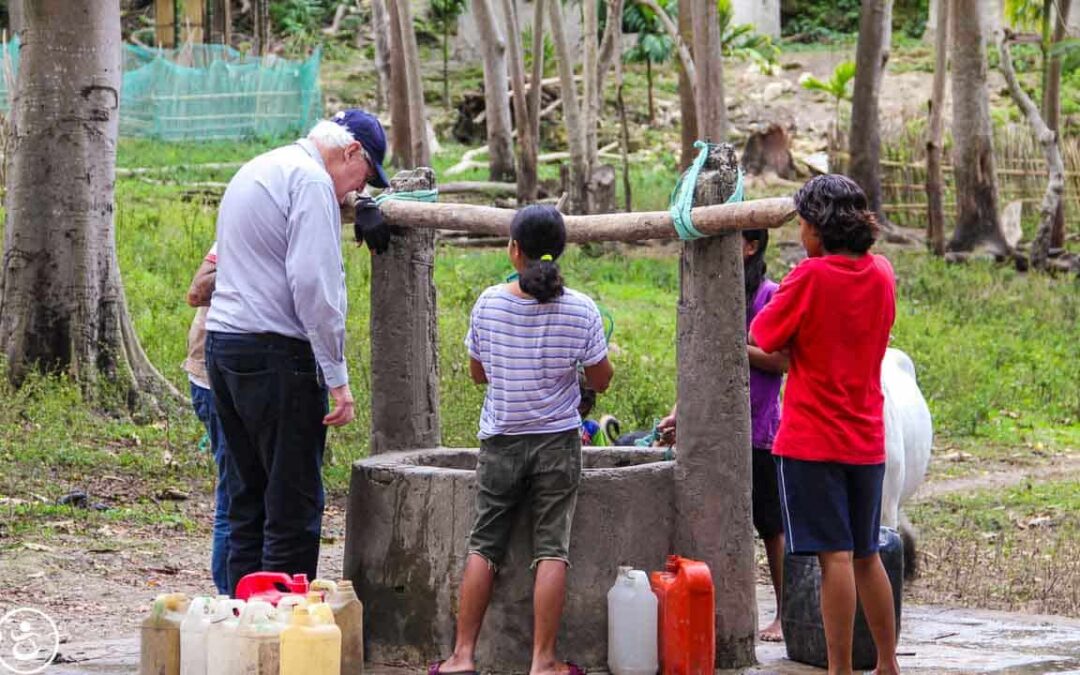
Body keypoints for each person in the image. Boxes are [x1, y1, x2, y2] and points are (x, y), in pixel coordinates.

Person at [205, 109, 390, 593]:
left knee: (247, 496)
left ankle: (238, 620)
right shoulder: (309, 183)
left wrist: (360, 197)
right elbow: (314, 286)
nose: (354, 191)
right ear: (351, 152)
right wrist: (337, 377)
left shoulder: (263, 166)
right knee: (292, 501)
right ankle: (283, 630)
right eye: (363, 176)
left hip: (225, 345)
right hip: (276, 354)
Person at [432, 205, 614, 675]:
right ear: (562, 252)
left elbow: (477, 374)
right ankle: (543, 661)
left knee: (484, 545)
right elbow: (602, 378)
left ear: (514, 249)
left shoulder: (489, 303)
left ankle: (462, 656)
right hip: (557, 442)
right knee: (552, 548)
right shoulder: (581, 309)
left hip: (501, 442)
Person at [749, 174, 899, 675]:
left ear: (817, 228)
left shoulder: (808, 278)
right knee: (867, 554)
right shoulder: (881, 273)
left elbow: (764, 334)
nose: (800, 235)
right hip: (867, 437)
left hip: (812, 441)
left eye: (803, 225)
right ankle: (887, 663)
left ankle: (838, 670)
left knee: (833, 558)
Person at [653, 227, 789, 642]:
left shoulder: (769, 295)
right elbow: (699, 365)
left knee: (771, 525)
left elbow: (782, 360)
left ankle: (784, 614)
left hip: (758, 427)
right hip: (715, 428)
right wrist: (681, 413)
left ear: (750, 247)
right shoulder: (713, 296)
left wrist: (732, 345)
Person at [183, 243, 231, 596]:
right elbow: (197, 291)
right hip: (215, 381)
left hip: (241, 378)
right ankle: (232, 599)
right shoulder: (248, 222)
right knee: (238, 491)